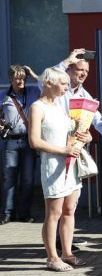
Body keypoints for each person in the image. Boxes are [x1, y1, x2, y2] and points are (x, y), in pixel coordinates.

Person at [46, 48, 102, 251]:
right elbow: (46, 76)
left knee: (71, 205)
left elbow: (98, 121)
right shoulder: (57, 88)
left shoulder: (84, 94)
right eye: (79, 70)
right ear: (68, 70)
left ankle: (65, 242)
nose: (83, 74)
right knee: (55, 207)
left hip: (75, 153)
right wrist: (66, 60)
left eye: (86, 71)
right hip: (56, 152)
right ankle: (53, 251)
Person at [29, 67, 88, 271]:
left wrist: (83, 136)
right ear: (48, 83)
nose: (66, 86)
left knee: (69, 210)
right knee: (53, 213)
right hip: (54, 165)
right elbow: (34, 141)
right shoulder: (37, 107)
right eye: (62, 83)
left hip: (69, 165)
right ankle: (52, 257)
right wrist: (63, 150)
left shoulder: (59, 106)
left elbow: (70, 132)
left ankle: (67, 253)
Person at [0, 65, 40, 224]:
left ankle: (24, 213)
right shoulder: (3, 96)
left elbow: (47, 85)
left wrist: (33, 74)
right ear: (10, 79)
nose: (20, 81)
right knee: (9, 178)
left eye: (23, 78)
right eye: (17, 78)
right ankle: (7, 213)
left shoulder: (33, 92)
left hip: (29, 140)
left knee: (28, 179)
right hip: (10, 140)